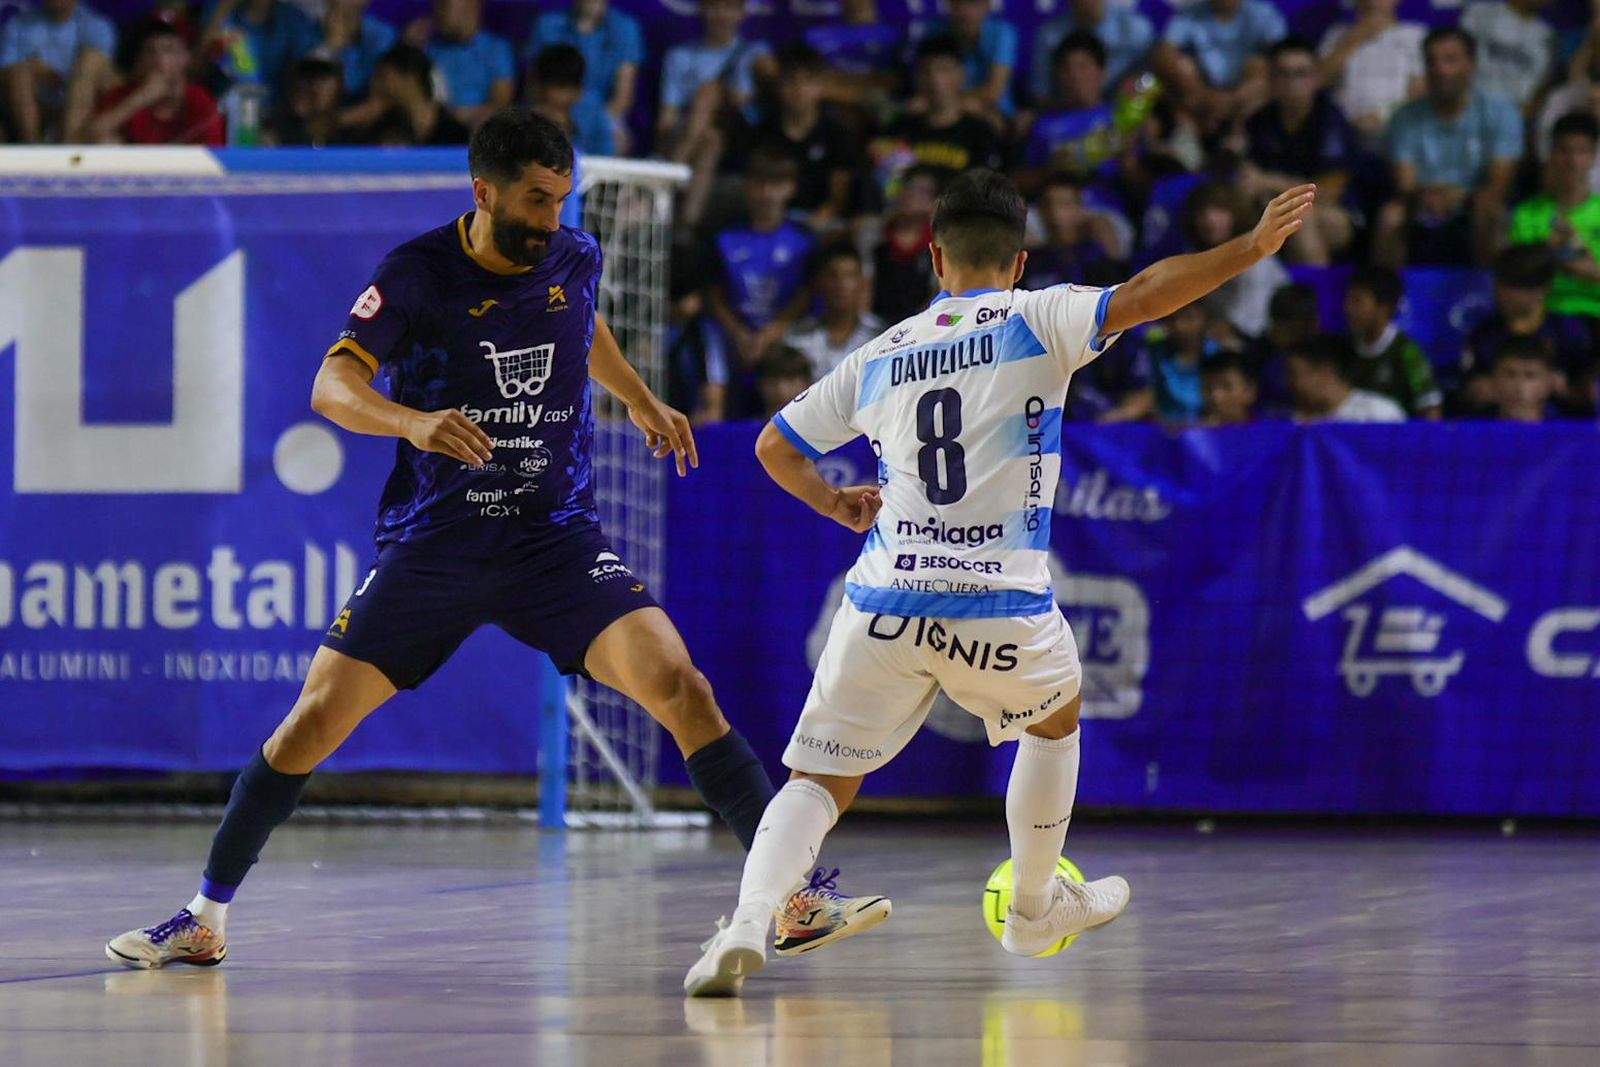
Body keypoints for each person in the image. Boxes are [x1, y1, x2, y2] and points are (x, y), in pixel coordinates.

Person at [105, 111, 887, 971]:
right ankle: (204, 915)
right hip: (435, 545)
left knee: (681, 684)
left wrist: (633, 392)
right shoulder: (416, 274)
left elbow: (581, 321)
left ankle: (795, 897)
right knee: (309, 726)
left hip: (552, 540)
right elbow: (333, 385)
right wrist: (415, 421)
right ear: (483, 191)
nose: (551, 218)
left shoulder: (572, 254)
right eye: (535, 199)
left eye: (561, 199)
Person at [682, 169, 1317, 997]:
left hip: (882, 600)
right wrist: (1251, 247)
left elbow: (772, 445)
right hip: (1000, 602)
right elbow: (1148, 293)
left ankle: (743, 924)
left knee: (816, 784)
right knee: (1054, 722)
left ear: (935, 257)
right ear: (1018, 260)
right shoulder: (1039, 316)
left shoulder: (884, 350)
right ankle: (1033, 906)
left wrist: (837, 504)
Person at [1375, 27, 1523, 268]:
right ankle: (1387, 296)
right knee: (1391, 216)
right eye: (1432, 61)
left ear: (1470, 64)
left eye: (1450, 60)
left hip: (1474, 202)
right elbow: (1405, 184)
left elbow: (1499, 183)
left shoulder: (1501, 112)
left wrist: (1460, 197)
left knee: (1491, 209)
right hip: (1422, 201)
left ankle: (1487, 292)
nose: (1440, 70)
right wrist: (1429, 196)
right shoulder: (1404, 117)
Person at [706, 146, 817, 417]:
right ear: (747, 187)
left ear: (790, 188)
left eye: (776, 184)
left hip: (786, 330)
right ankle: (713, 410)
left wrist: (773, 331)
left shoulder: (803, 240)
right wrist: (740, 332)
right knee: (708, 333)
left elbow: (807, 295)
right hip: (737, 333)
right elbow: (714, 295)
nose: (767, 194)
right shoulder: (725, 238)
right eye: (759, 184)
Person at [657, 0, 776, 230]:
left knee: (708, 92)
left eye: (729, 7)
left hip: (738, 133)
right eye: (715, 6)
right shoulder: (680, 54)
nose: (721, 14)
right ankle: (687, 227)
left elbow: (758, 100)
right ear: (702, 9)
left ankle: (670, 172)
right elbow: (667, 115)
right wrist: (664, 140)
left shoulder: (756, 54)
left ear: (742, 13)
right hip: (693, 133)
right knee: (711, 140)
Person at [1241, 37, 1359, 265]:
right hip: (1276, 208)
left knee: (1297, 217)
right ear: (1272, 80)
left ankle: (1317, 298)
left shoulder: (1330, 120)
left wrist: (1267, 181)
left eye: (1301, 74)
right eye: (1284, 74)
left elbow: (1328, 192)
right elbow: (1247, 176)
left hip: (1339, 214)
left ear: (1315, 78)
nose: (1292, 83)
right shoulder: (1259, 121)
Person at [1462, 244, 1596, 416]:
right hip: (1497, 426)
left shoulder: (1570, 331)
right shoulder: (1484, 334)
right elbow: (1466, 391)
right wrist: (1476, 393)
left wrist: (1568, 392)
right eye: (1501, 285)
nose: (1504, 295)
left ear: (1542, 290)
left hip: (1562, 427)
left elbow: (1588, 389)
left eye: (1516, 288)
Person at [870, 35, 1003, 202]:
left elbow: (984, 190)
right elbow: (886, 187)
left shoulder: (980, 133)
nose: (935, 80)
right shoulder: (897, 129)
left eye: (943, 70)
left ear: (961, 74)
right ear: (917, 77)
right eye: (926, 71)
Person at [1508, 111, 1600, 320]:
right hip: (1543, 315)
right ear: (1551, 153)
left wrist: (1573, 262)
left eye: (1582, 152)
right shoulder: (1527, 213)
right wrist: (1549, 252)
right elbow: (1517, 276)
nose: (1572, 161)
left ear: (1594, 156)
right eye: (1564, 151)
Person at [755, 44, 858, 229]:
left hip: (818, 223)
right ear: (778, 85)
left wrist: (820, 219)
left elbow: (838, 196)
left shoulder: (837, 134)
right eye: (790, 81)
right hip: (769, 220)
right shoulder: (762, 132)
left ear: (821, 86)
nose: (798, 89)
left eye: (807, 81)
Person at [1151, 0, 1286, 134]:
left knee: (1261, 65)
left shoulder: (1263, 13)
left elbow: (1283, 54)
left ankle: (1241, 136)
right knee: (1179, 66)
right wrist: (1202, 94)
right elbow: (1164, 52)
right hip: (1202, 94)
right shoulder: (1190, 13)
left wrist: (1231, 99)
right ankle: (1189, 135)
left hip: (1245, 95)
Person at [1183, 179, 1291, 344]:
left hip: (1260, 345)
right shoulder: (1194, 259)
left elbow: (1249, 327)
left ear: (1236, 214)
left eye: (1219, 210)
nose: (1209, 219)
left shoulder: (1258, 258)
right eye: (1201, 213)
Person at [525, 0, 642, 145]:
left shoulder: (626, 28)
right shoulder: (547, 24)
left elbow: (622, 97)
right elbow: (532, 83)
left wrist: (594, 122)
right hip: (550, 106)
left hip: (603, 115)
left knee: (617, 139)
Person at [0, 0, 117, 143]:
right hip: (36, 107)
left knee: (90, 61)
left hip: (83, 107)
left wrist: (55, 76)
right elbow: (5, 74)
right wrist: (31, 68)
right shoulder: (17, 26)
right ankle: (32, 147)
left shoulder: (96, 27)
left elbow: (102, 76)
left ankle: (69, 144)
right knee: (19, 72)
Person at [88, 22, 223, 145]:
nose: (158, 59)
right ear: (140, 63)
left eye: (168, 50)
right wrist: (141, 98)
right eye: (149, 51)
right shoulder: (126, 94)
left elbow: (213, 156)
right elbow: (89, 138)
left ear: (185, 58)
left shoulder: (200, 100)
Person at [1341, 266, 1442, 418]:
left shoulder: (1408, 353)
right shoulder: (1343, 346)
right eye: (1348, 299)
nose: (1348, 308)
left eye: (1357, 301)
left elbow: (1431, 411)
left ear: (1384, 307)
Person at [1316, 0, 1426, 139]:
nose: (1371, 2)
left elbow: (1422, 92)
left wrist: (1383, 115)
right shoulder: (1337, 35)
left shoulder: (1416, 36)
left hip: (1398, 130)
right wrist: (1354, 38)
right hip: (1345, 132)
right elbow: (1317, 82)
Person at [1021, 33, 1116, 178]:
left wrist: (1126, 158)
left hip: (1106, 199)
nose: (1075, 76)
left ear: (1102, 73)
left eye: (1082, 67)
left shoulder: (1119, 121)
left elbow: (1143, 188)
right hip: (1054, 197)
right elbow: (1021, 183)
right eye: (1066, 69)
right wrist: (1051, 170)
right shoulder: (1043, 124)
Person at [411, 0, 514, 129]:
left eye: (444, 4)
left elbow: (501, 102)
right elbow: (425, 98)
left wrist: (469, 115)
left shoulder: (496, 49)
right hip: (438, 128)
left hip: (480, 128)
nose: (437, 11)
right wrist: (410, 46)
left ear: (472, 4)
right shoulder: (429, 50)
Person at [786, 244, 884, 379]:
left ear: (862, 282)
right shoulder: (797, 338)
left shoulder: (881, 336)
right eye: (833, 276)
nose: (841, 284)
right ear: (820, 282)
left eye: (849, 276)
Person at [1031, 0, 1154, 105]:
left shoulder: (1137, 30)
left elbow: (1150, 81)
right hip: (1068, 116)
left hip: (1123, 115)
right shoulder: (1049, 36)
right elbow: (1041, 93)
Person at [344, 44, 469, 146]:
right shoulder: (381, 128)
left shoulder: (455, 134)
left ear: (410, 79)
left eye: (383, 77)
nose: (374, 85)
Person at [1020, 173, 1126, 290]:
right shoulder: (1030, 262)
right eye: (1047, 205)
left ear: (1079, 209)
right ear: (1040, 210)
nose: (1055, 213)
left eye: (1064, 205)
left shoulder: (1097, 259)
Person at [200, 0, 318, 104]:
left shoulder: (294, 18)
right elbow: (197, 69)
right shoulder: (218, 9)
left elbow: (305, 77)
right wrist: (221, 12)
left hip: (275, 114)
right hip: (222, 109)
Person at [919, 0, 1019, 121]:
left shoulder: (1003, 33)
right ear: (949, 6)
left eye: (974, 3)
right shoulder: (935, 29)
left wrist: (950, 103)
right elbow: (924, 77)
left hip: (994, 110)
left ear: (987, 6)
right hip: (941, 106)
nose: (965, 11)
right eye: (958, 3)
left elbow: (993, 92)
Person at [873, 163, 942, 324]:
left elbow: (939, 295)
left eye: (923, 192)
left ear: (934, 202)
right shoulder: (874, 236)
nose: (912, 195)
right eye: (909, 188)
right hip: (874, 325)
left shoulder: (941, 245)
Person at [1461, 0, 1556, 114]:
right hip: (1469, 104)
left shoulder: (1547, 35)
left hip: (1514, 114)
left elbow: (1539, 88)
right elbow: (1457, 58)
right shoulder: (1480, 13)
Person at [1287, 335, 1407, 423]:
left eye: (1295, 374)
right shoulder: (1298, 422)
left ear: (1325, 373)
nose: (1291, 383)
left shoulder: (1379, 414)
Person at [528, 44, 615, 157]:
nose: (550, 94)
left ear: (577, 90)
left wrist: (566, 129)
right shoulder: (525, 117)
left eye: (560, 87)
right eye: (546, 86)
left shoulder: (594, 113)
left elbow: (605, 157)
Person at [310, 0, 394, 100]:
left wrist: (342, 47)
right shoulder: (304, 25)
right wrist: (331, 47)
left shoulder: (383, 35)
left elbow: (352, 86)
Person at [263, 56, 342, 145]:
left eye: (322, 80)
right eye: (305, 79)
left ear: (339, 86)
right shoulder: (275, 127)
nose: (312, 88)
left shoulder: (349, 132)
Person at [1485, 336, 1559, 421]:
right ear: (1493, 380)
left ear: (1548, 383)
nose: (1519, 387)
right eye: (1510, 375)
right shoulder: (1473, 427)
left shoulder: (1566, 430)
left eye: (1530, 376)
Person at [756, 342, 816, 417]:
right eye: (773, 380)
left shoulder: (825, 425)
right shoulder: (747, 427)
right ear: (761, 385)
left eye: (791, 380)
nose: (781, 389)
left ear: (807, 383)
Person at [1201, 350, 1260, 425]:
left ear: (1249, 391)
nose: (1215, 396)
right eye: (1208, 387)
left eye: (1226, 387)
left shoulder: (1269, 432)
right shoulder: (1192, 433)